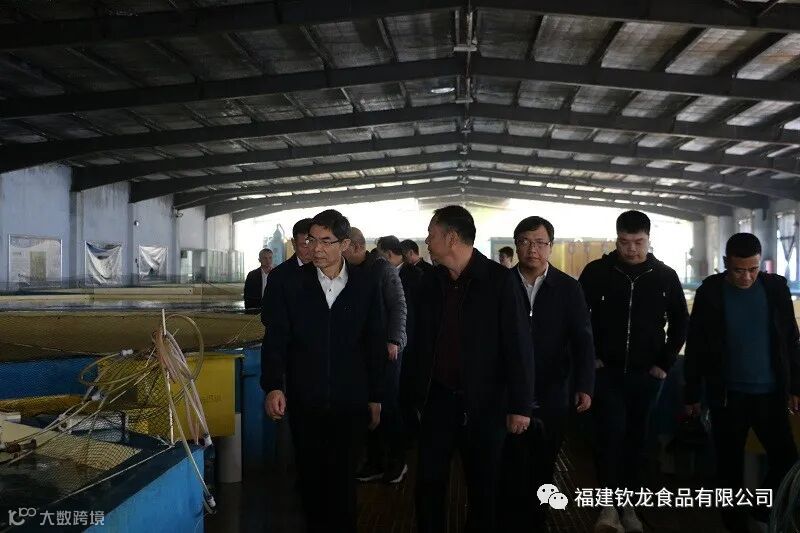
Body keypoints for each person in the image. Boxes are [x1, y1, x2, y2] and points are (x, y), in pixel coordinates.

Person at [261, 209, 386, 533]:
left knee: (344, 481)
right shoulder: (289, 283)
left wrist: (377, 396)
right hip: (306, 399)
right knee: (311, 480)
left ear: (344, 244)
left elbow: (374, 341)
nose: (316, 248)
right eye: (312, 240)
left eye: (326, 241)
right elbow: (276, 338)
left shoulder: (365, 283)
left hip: (351, 400)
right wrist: (273, 385)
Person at [414, 205, 535, 533]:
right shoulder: (431, 282)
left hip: (485, 404)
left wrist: (520, 406)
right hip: (438, 399)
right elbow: (419, 344)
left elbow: (518, 345)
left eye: (431, 234)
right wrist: (414, 395)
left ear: (451, 238)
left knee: (484, 487)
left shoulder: (499, 281)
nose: (427, 241)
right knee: (428, 483)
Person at [579, 210, 688, 533]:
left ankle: (629, 507)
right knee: (609, 438)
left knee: (638, 442)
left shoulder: (664, 276)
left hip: (646, 376)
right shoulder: (597, 272)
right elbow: (578, 319)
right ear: (616, 239)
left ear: (648, 239)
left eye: (638, 242)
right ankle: (608, 508)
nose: (631, 249)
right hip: (607, 374)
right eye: (625, 241)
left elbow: (681, 322)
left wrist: (664, 364)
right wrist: (592, 358)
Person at [684, 233, 800, 533]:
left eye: (753, 269)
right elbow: (696, 345)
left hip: (770, 395)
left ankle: (760, 509)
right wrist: (691, 393)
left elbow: (791, 339)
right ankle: (735, 527)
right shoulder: (710, 292)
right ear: (726, 263)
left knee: (788, 460)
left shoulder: (775, 289)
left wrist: (795, 386)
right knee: (728, 470)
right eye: (738, 270)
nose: (746, 277)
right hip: (727, 396)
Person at [499, 216, 595, 531]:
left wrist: (585, 384)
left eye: (540, 242)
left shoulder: (568, 288)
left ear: (550, 246)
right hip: (508, 392)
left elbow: (583, 339)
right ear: (516, 246)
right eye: (525, 242)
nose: (533, 249)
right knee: (509, 463)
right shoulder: (501, 285)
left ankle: (536, 521)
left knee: (544, 463)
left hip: (553, 390)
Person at [343, 228, 409, 484]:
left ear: (357, 247)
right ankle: (375, 461)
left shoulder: (382, 269)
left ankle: (397, 462)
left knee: (388, 406)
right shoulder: (348, 271)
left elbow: (399, 305)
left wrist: (395, 340)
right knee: (367, 407)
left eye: (343, 247)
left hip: (386, 350)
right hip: (363, 351)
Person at [243, 248, 272, 313]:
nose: (268, 260)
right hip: (256, 308)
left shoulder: (277, 274)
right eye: (265, 258)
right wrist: (249, 310)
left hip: (273, 308)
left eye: (270, 258)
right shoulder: (252, 275)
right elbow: (247, 294)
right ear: (259, 260)